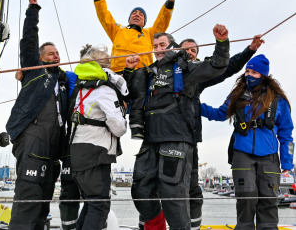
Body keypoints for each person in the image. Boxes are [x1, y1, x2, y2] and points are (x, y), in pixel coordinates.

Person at [124, 25, 230, 230]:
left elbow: (218, 65)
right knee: (141, 189)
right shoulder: (147, 72)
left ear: (173, 47)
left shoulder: (186, 68)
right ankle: (156, 227)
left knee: (173, 195)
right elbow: (128, 94)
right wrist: (129, 70)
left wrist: (222, 43)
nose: (158, 49)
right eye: (155, 46)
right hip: (151, 139)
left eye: (162, 45)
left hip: (177, 139)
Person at [180, 35, 264, 230]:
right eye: (186, 49)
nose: (190, 53)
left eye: (194, 50)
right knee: (153, 188)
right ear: (174, 50)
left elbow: (227, 68)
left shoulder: (197, 78)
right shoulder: (159, 73)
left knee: (192, 189)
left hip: (188, 139)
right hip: (160, 139)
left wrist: (249, 51)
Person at [201, 54, 294, 230]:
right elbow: (220, 114)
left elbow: (286, 134)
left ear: (263, 75)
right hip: (242, 155)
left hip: (269, 157)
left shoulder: (278, 100)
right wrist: (197, 106)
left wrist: (287, 162)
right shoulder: (238, 95)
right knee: (246, 198)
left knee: (268, 199)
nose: (249, 75)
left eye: (254, 72)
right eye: (247, 71)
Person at [6, 0, 68, 230]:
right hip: (32, 135)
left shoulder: (62, 80)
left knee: (45, 194)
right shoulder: (34, 69)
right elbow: (28, 41)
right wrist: (33, 9)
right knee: (29, 190)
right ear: (41, 58)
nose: (56, 56)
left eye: (57, 54)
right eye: (51, 54)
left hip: (54, 142)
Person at [69, 45, 128, 230]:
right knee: (100, 206)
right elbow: (118, 127)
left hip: (76, 151)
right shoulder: (104, 90)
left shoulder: (79, 87)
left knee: (90, 203)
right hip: (96, 152)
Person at [93, 0, 176, 73]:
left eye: (141, 14)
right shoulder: (117, 30)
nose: (137, 14)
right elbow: (103, 15)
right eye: (134, 13)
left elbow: (163, 19)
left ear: (144, 22)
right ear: (129, 19)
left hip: (142, 76)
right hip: (117, 74)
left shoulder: (150, 34)